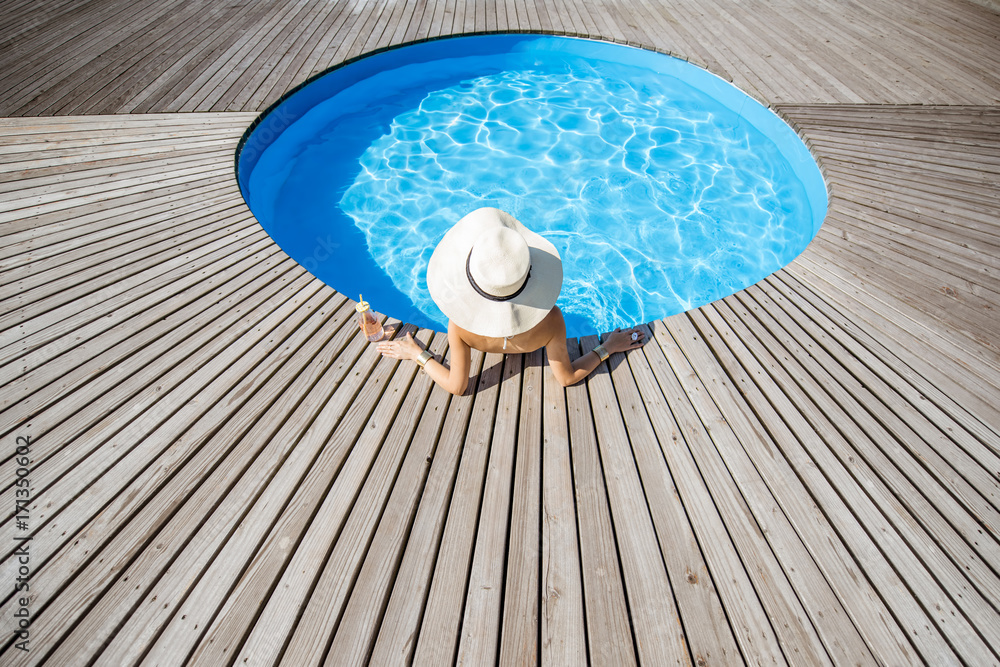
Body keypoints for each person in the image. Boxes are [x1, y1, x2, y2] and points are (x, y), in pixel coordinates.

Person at [375, 207, 646, 395]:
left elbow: (458, 387)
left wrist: (418, 354)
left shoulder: (459, 326)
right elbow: (566, 377)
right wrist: (607, 347)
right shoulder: (551, 319)